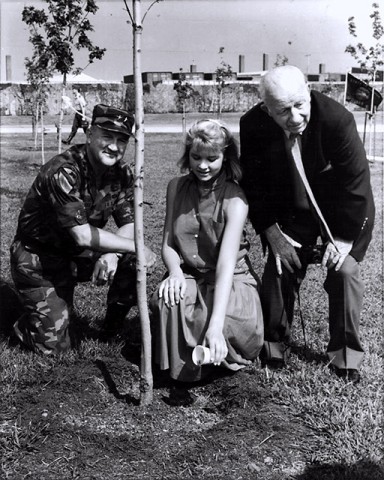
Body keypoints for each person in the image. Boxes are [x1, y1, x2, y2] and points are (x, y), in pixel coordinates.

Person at [239, 65, 375, 384]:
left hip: (339, 214)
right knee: (279, 266)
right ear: (265, 108)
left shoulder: (337, 119)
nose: (296, 117)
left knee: (345, 273)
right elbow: (254, 185)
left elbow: (357, 188)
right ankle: (273, 345)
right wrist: (272, 233)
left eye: (300, 104)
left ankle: (346, 357)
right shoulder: (253, 124)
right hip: (290, 213)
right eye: (283, 111)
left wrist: (341, 240)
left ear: (309, 92)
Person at [10, 104, 156, 354]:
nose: (114, 146)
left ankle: (111, 329)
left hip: (78, 254)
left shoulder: (121, 173)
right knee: (55, 347)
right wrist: (137, 246)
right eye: (107, 136)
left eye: (121, 140)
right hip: (40, 259)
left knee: (132, 259)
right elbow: (82, 234)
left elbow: (129, 222)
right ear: (89, 134)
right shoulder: (64, 170)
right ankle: (18, 315)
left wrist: (114, 254)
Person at [150, 119, 264, 383]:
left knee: (222, 320)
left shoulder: (235, 199)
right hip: (190, 273)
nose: (202, 165)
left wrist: (214, 325)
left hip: (231, 279)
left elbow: (225, 266)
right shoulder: (175, 187)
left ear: (225, 157)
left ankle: (214, 355)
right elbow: (168, 242)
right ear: (187, 155)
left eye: (212, 158)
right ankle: (186, 366)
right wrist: (175, 272)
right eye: (196, 157)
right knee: (166, 300)